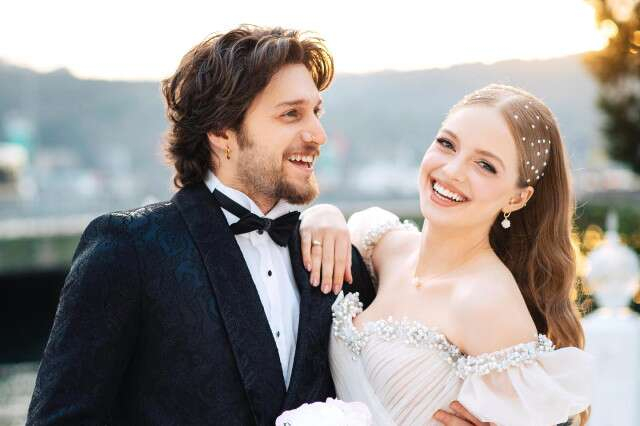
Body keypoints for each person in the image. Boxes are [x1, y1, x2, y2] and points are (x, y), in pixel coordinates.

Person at [25, 25, 377, 425]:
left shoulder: (337, 256)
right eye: (291, 114)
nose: (318, 134)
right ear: (221, 131)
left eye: (316, 112)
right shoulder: (127, 249)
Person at [300, 84, 594, 425]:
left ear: (517, 198)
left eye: (485, 165)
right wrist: (320, 214)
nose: (453, 170)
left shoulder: (487, 301)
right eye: (447, 144)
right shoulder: (383, 245)